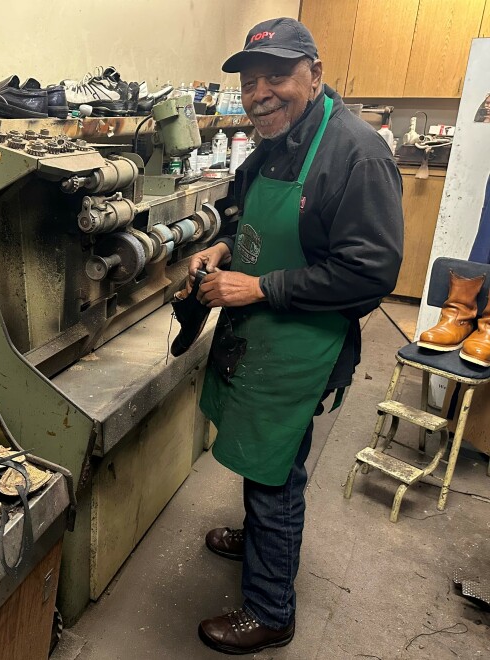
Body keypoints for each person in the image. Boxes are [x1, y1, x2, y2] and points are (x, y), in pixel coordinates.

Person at [189, 17, 404, 655]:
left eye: (276, 76)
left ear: (313, 71)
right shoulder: (277, 141)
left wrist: (257, 289)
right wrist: (225, 245)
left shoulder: (356, 152)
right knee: (263, 458)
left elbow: (368, 275)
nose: (261, 94)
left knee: (276, 471)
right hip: (264, 334)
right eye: (251, 82)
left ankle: (270, 608)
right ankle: (262, 541)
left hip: (305, 341)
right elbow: (246, 208)